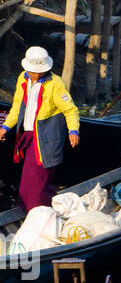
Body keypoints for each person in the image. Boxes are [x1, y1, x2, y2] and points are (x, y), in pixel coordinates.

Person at [0, 47, 79, 211]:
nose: (35, 75)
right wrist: (5, 126)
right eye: (33, 72)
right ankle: (28, 210)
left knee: (40, 178)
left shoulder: (55, 84)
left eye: (39, 72)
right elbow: (17, 106)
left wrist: (73, 130)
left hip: (47, 136)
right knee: (28, 179)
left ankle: (41, 211)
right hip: (29, 134)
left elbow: (70, 109)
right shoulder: (23, 78)